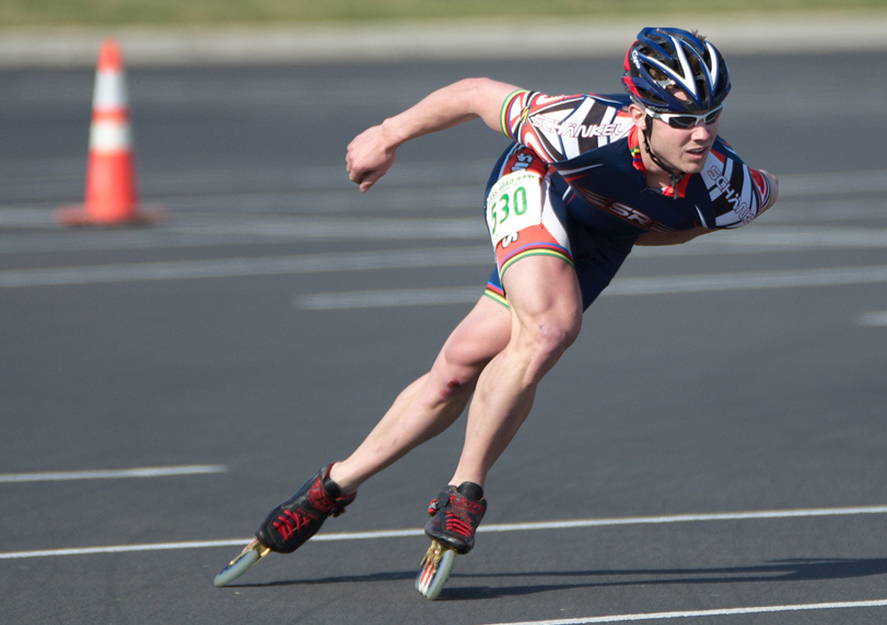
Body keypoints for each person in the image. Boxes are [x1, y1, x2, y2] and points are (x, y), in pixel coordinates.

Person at [250, 26, 777, 569]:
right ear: (642, 112)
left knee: (458, 370)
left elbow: (692, 224)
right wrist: (387, 134)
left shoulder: (731, 189)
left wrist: (624, 227)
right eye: (682, 120)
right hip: (537, 182)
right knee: (551, 328)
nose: (701, 135)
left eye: (712, 115)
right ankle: (463, 492)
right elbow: (474, 93)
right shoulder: (577, 128)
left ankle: (332, 487)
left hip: (606, 231)